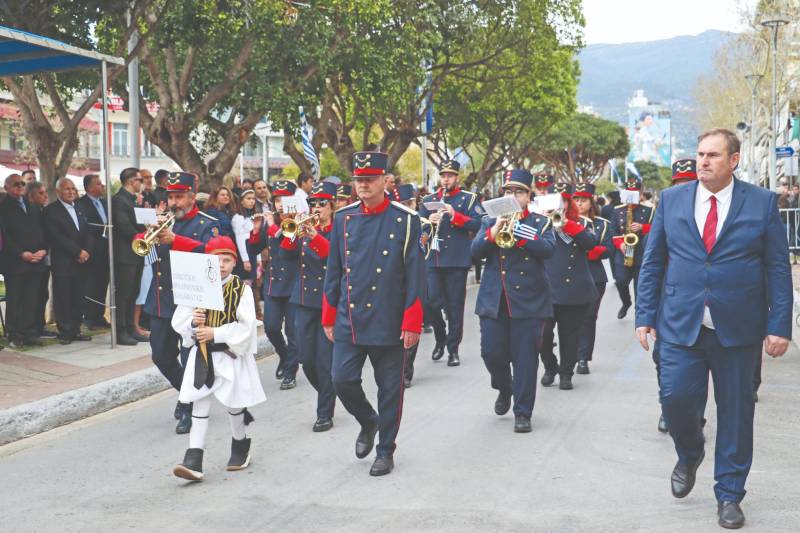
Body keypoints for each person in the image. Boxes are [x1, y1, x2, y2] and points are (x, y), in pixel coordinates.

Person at [635, 128, 792, 529]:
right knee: (674, 400)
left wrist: (779, 325)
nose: (703, 162)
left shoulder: (761, 203)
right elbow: (653, 262)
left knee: (737, 413)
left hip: (738, 328)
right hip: (679, 325)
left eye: (713, 155)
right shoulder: (671, 201)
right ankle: (689, 453)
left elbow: (777, 267)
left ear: (734, 160)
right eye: (700, 154)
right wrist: (645, 315)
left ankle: (729, 494)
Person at [322, 151, 425, 476]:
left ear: (384, 180)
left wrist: (412, 320)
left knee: (390, 389)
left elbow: (415, 275)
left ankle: (385, 450)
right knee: (342, 379)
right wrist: (328, 314)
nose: (363, 185)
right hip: (349, 318)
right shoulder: (344, 217)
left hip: (389, 318)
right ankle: (368, 421)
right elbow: (334, 269)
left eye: (369, 179)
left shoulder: (406, 219)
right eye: (359, 179)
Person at [171, 236, 266, 482]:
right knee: (199, 403)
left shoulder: (240, 289)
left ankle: (240, 444)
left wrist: (216, 332)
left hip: (229, 355)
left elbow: (246, 326)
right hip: (202, 355)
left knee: (234, 404)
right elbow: (178, 321)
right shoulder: (195, 287)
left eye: (226, 259)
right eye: (215, 259)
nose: (221, 264)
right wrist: (193, 322)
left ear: (234, 263)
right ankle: (193, 458)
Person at [471, 169, 555, 432]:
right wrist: (493, 232)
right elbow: (474, 252)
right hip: (494, 299)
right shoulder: (489, 221)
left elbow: (548, 250)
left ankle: (523, 412)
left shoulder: (541, 223)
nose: (513, 196)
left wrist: (520, 231)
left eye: (519, 191)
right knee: (491, 353)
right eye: (508, 191)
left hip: (529, 300)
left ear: (529, 196)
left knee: (525, 359)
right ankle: (504, 387)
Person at [145, 171, 221, 434]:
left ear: (191, 196)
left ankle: (187, 410)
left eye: (179, 197)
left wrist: (176, 241)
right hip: (161, 298)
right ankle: (185, 394)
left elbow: (214, 253)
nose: (174, 202)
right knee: (161, 355)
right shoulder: (165, 222)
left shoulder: (207, 223)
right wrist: (148, 233)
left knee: (190, 359)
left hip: (192, 300)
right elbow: (144, 250)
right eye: (171, 197)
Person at [280, 181, 337, 431]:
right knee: (306, 359)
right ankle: (329, 390)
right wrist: (292, 229)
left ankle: (324, 411)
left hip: (327, 300)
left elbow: (335, 256)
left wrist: (314, 237)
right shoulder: (306, 228)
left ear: (333, 206)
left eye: (321, 204)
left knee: (324, 361)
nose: (316, 208)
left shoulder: (338, 229)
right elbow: (285, 254)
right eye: (313, 203)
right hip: (302, 299)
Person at [418, 159, 482, 366]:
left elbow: (478, 223)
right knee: (430, 303)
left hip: (456, 259)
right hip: (433, 258)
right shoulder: (428, 199)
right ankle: (440, 338)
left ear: (457, 177)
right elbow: (419, 225)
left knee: (455, 307)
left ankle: (453, 349)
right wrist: (429, 223)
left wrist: (455, 215)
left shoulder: (469, 199)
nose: (446, 179)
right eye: (443, 175)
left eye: (450, 176)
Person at [651, 158, 699, 433]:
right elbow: (653, 261)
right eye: (678, 183)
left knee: (700, 362)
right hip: (669, 301)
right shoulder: (666, 210)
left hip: (703, 302)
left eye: (688, 182)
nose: (683, 187)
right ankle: (667, 407)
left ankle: (695, 414)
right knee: (664, 359)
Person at [539, 183, 598, 390]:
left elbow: (591, 243)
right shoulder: (538, 222)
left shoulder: (581, 222)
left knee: (569, 336)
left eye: (563, 200)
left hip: (574, 288)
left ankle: (566, 373)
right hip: (545, 289)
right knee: (543, 336)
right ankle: (549, 366)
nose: (559, 205)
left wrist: (567, 226)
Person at [249, 180, 299, 388]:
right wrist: (255, 230)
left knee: (293, 332)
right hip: (273, 283)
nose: (279, 204)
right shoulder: (271, 221)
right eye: (277, 200)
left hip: (294, 282)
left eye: (284, 199)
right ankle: (285, 355)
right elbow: (254, 249)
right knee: (270, 327)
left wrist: (271, 226)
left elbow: (287, 250)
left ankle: (290, 371)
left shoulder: (298, 221)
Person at [42, 178, 93, 344]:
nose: (71, 192)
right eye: (67, 189)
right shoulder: (51, 210)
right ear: (58, 192)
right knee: (63, 298)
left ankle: (76, 330)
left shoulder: (80, 207)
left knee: (79, 297)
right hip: (64, 261)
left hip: (82, 261)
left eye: (73, 189)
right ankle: (65, 332)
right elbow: (56, 237)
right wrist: (77, 251)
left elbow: (89, 232)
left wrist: (86, 251)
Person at [0, 175, 48, 347]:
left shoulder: (32, 206)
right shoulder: (3, 207)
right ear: (7, 187)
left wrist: (43, 249)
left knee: (31, 299)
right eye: (16, 184)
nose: (20, 186)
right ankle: (14, 335)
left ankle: (29, 333)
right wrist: (21, 253)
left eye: (22, 184)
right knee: (15, 299)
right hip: (15, 263)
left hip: (36, 261)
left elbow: (42, 231)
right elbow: (5, 236)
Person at [392, 183, 430, 388]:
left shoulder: (421, 223)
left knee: (413, 322)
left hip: (415, 277)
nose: (406, 207)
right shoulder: (390, 222)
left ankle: (406, 369)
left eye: (409, 203)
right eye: (402, 203)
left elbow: (421, 251)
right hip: (393, 280)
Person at [574, 182, 613, 374]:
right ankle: (568, 355)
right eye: (576, 200)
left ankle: (582, 358)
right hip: (568, 275)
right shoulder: (563, 221)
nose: (579, 203)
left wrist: (590, 251)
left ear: (591, 202)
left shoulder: (602, 224)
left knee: (588, 318)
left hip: (593, 276)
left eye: (583, 200)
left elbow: (609, 249)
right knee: (568, 319)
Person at [111, 168, 146, 346]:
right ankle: (121, 330)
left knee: (133, 293)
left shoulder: (133, 201)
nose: (142, 183)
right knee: (124, 294)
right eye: (140, 179)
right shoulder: (119, 200)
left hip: (136, 254)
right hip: (124, 255)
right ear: (132, 181)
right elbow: (124, 225)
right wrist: (142, 237)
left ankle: (131, 327)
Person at [610, 177, 653, 319]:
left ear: (640, 195)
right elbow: (613, 232)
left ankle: (639, 314)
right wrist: (620, 244)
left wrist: (643, 227)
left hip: (641, 252)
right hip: (623, 251)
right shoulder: (617, 210)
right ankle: (626, 302)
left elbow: (657, 228)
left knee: (639, 288)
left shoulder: (649, 210)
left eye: (634, 194)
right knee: (621, 281)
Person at [77, 174, 111, 329]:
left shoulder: (104, 203)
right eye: (99, 184)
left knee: (102, 284)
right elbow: (84, 226)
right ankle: (89, 316)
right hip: (92, 250)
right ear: (89, 187)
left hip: (106, 251)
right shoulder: (80, 204)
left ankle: (99, 315)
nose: (102, 186)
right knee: (90, 284)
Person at [25, 181, 56, 339]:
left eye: (45, 192)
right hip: (31, 260)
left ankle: (39, 325)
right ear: (30, 196)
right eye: (41, 193)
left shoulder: (43, 210)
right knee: (32, 296)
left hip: (45, 259)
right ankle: (30, 328)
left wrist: (45, 249)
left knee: (42, 294)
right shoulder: (29, 212)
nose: (45, 196)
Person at [231, 189, 260, 283]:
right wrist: (245, 260)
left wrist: (258, 258)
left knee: (251, 282)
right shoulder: (238, 218)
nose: (252, 201)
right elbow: (239, 240)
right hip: (244, 251)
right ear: (242, 201)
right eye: (248, 198)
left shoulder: (253, 217)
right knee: (244, 282)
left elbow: (257, 237)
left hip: (252, 250)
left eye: (253, 199)